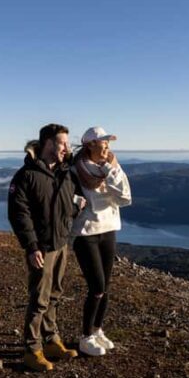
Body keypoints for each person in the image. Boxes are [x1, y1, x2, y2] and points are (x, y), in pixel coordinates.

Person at [8, 123, 84, 372]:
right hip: (41, 248)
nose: (67, 148)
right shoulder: (26, 175)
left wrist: (76, 208)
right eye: (62, 143)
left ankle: (51, 341)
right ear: (48, 143)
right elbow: (19, 214)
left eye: (67, 143)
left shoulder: (66, 172)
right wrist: (32, 247)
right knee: (39, 299)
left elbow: (69, 204)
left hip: (61, 244)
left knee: (55, 295)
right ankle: (32, 350)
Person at [71, 126, 132, 356]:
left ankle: (97, 330)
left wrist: (109, 168)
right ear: (90, 145)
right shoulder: (75, 169)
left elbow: (125, 197)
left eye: (108, 142)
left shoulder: (111, 166)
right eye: (102, 142)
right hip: (85, 232)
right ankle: (86, 337)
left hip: (109, 229)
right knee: (96, 286)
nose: (107, 146)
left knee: (105, 286)